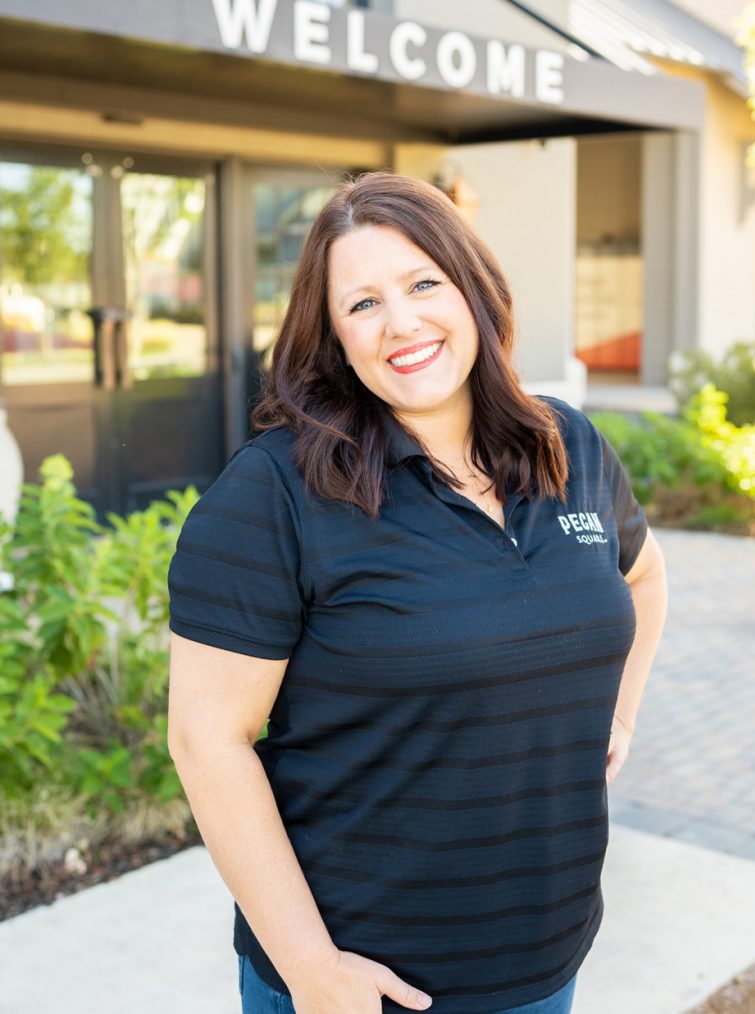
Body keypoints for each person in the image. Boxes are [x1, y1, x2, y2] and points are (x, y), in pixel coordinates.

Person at [166, 170, 668, 1014]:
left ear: (472, 290)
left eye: (423, 283)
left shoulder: (567, 445)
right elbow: (207, 739)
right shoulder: (274, 495)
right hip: (365, 979)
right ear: (333, 335)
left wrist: (618, 713)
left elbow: (645, 575)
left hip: (545, 959)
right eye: (362, 304)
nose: (401, 323)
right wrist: (312, 970)